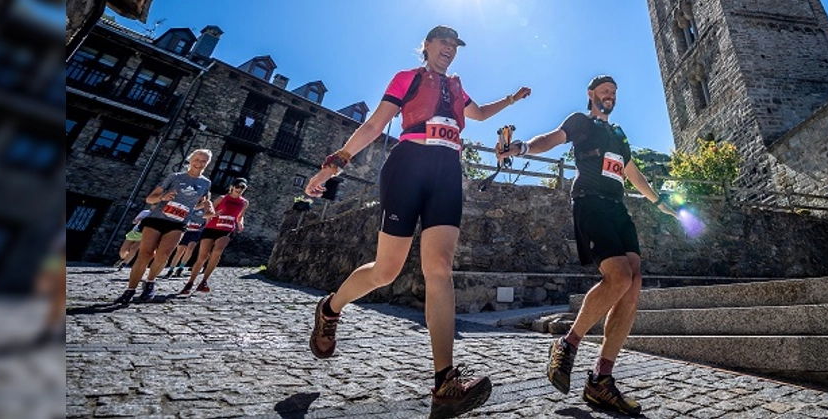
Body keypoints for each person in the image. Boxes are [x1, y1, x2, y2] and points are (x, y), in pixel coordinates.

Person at [303, 25, 530, 417]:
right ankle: (330, 309)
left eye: (454, 45)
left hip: (447, 172)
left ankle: (445, 383)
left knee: (439, 269)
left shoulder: (458, 88)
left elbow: (477, 114)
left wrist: (510, 99)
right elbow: (374, 125)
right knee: (386, 270)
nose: (449, 50)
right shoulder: (407, 78)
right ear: (426, 46)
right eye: (442, 42)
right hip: (408, 166)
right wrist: (333, 165)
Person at [501, 75, 677, 416]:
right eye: (604, 90)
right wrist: (521, 147)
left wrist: (658, 203)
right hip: (589, 202)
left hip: (617, 208)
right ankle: (567, 344)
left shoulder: (619, 134)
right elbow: (550, 139)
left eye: (614, 91)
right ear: (591, 94)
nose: (610, 95)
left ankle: (601, 379)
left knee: (634, 281)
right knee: (619, 275)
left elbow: (631, 172)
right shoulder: (581, 122)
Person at [114, 148, 215, 304]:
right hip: (157, 219)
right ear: (190, 160)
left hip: (178, 223)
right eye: (197, 159)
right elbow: (149, 199)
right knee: (145, 254)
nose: (199, 163)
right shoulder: (174, 177)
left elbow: (197, 206)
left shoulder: (206, 183)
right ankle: (130, 290)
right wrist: (163, 197)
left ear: (207, 164)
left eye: (203, 161)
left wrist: (205, 206)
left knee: (163, 256)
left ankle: (150, 281)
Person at [179, 178, 249, 295]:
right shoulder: (222, 198)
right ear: (232, 186)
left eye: (243, 188)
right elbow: (207, 214)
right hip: (211, 228)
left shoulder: (244, 202)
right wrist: (214, 214)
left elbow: (240, 216)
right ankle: (190, 282)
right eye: (238, 186)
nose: (240, 189)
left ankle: (204, 281)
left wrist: (241, 222)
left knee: (217, 252)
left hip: (227, 229)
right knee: (202, 257)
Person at [163, 195, 210, 278]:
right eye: (201, 196)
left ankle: (180, 268)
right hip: (186, 230)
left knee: (190, 249)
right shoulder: (191, 204)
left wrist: (203, 230)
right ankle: (171, 269)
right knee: (180, 250)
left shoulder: (206, 208)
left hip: (196, 232)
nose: (202, 198)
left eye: (204, 196)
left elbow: (207, 221)